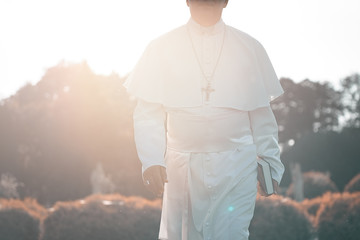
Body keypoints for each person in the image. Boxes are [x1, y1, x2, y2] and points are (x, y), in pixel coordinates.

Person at [124, 0, 285, 239]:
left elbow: (262, 115)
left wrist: (271, 162)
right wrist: (151, 159)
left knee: (232, 234)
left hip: (238, 165)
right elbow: (148, 113)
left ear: (226, 1)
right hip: (181, 169)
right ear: (187, 1)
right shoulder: (161, 47)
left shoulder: (250, 47)